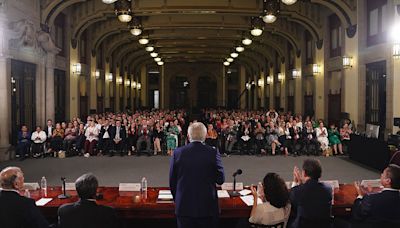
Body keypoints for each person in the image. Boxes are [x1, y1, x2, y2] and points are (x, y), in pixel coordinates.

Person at [169, 122, 225, 228]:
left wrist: (179, 199)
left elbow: (172, 181)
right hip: (207, 207)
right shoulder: (212, 153)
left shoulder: (177, 153)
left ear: (188, 136)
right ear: (205, 136)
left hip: (184, 207)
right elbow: (220, 179)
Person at [289, 159, 332, 228]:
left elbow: (291, 200)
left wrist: (295, 182)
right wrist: (300, 183)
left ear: (304, 173)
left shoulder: (298, 191)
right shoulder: (328, 189)